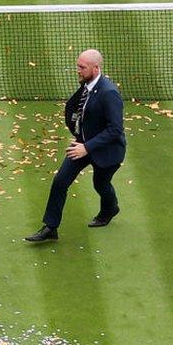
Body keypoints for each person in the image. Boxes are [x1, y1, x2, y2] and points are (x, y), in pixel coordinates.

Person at [25, 49, 126, 242]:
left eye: (82, 67)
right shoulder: (87, 86)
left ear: (96, 69)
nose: (78, 70)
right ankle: (51, 227)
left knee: (101, 184)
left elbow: (115, 130)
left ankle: (110, 209)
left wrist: (87, 147)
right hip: (83, 144)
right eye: (78, 66)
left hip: (107, 151)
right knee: (60, 181)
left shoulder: (109, 93)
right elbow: (80, 112)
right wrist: (79, 136)